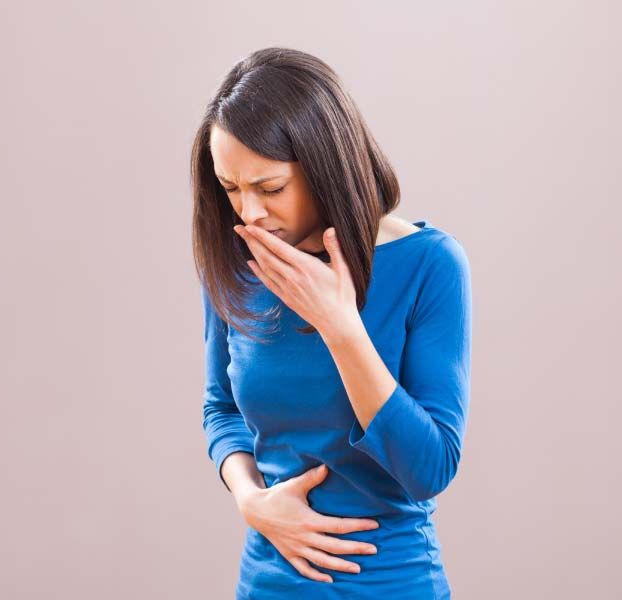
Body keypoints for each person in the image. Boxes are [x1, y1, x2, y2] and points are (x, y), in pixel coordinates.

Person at [190, 47, 472, 599]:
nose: (249, 213)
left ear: (326, 167)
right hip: (268, 581)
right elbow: (220, 409)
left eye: (270, 189)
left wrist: (341, 328)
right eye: (230, 188)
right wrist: (253, 502)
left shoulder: (429, 264)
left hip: (393, 582)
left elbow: (430, 467)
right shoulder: (238, 262)